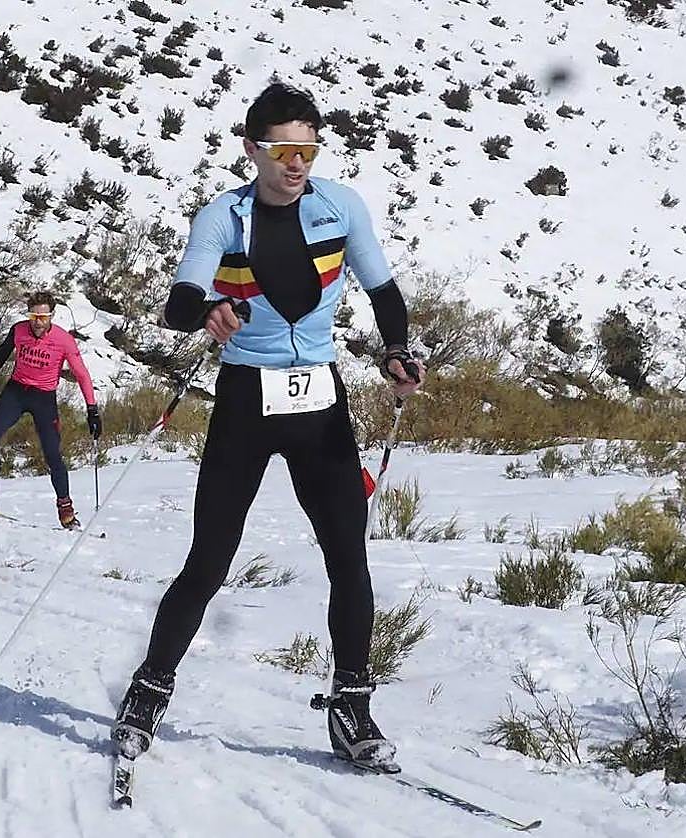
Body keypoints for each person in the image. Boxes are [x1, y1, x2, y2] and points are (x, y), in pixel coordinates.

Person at [112, 83, 426, 769]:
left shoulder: (341, 206)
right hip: (246, 402)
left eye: (309, 150)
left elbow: (382, 290)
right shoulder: (224, 216)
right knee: (210, 560)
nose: (297, 163)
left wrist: (397, 351)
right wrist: (206, 312)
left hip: (320, 403)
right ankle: (148, 689)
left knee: (348, 557)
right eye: (283, 150)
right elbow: (179, 300)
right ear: (253, 149)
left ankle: (352, 705)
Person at [0, 291, 101, 529]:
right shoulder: (19, 330)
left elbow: (81, 374)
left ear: (52, 316)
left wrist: (92, 410)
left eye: (43, 317)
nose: (38, 322)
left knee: (52, 454)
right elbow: (1, 354)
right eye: (33, 316)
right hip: (16, 391)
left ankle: (66, 509)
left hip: (44, 398)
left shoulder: (63, 340)